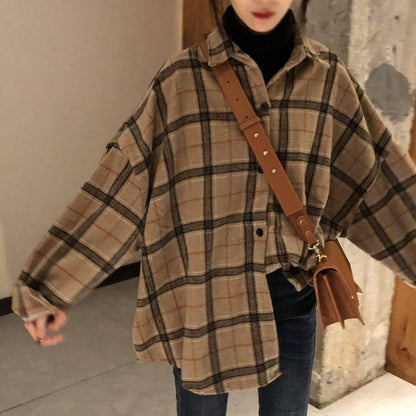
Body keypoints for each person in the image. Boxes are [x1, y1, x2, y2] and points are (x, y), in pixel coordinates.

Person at [11, 1, 416, 415]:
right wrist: (48, 286)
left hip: (291, 294)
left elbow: (380, 178)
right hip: (203, 296)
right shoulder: (180, 80)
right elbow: (120, 184)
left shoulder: (328, 78)